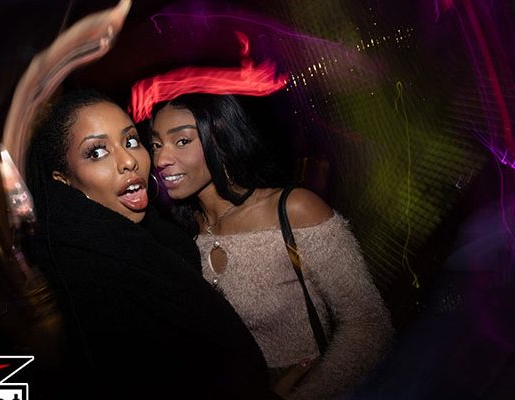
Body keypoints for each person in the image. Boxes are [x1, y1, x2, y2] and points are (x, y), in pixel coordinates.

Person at [23, 90, 274, 399]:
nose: (129, 161)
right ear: (63, 179)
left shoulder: (161, 237)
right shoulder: (84, 273)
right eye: (97, 152)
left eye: (130, 141)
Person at [148, 93, 393, 399]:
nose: (161, 160)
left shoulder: (294, 210)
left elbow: (369, 325)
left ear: (221, 140)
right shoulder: (181, 237)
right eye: (156, 145)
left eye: (182, 141)